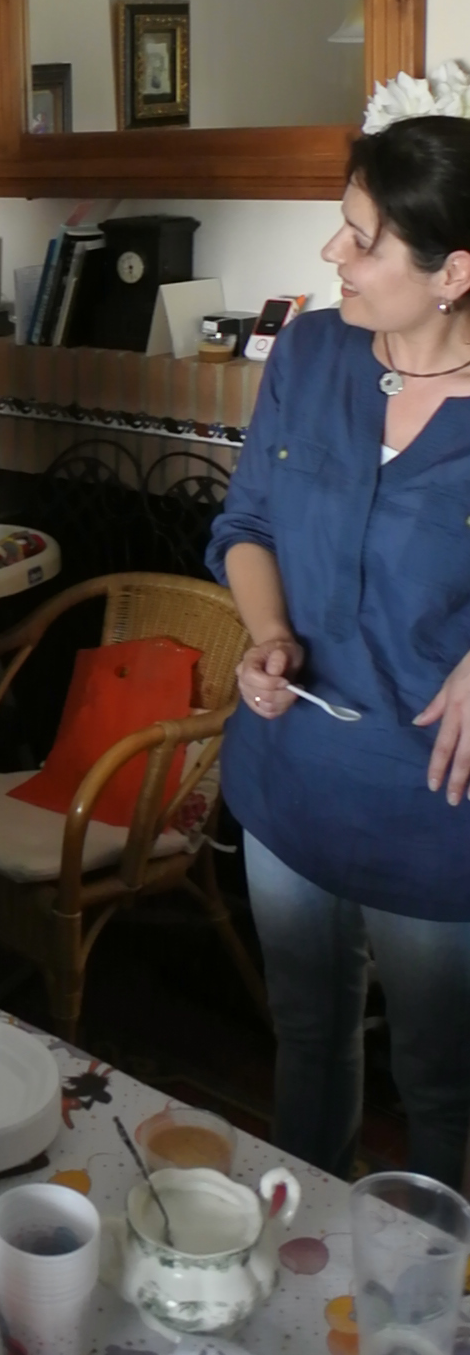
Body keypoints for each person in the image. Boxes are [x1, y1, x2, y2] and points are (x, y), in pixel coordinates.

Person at [207, 115, 470, 1189]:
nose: (334, 257)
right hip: (288, 788)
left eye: (362, 240)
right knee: (307, 1041)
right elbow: (247, 525)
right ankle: (303, 1276)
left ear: (454, 271)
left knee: (442, 1084)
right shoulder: (313, 353)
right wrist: (268, 634)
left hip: (433, 819)